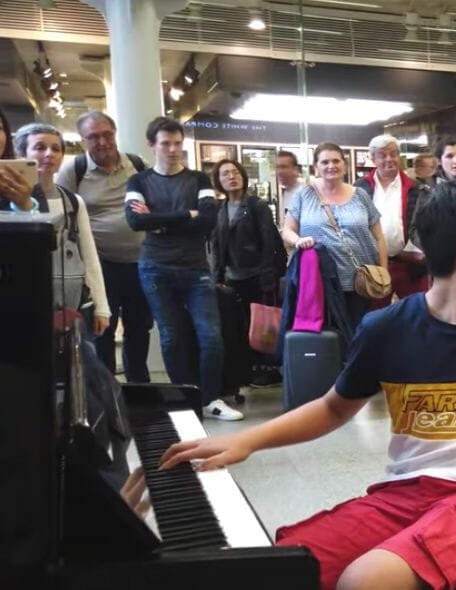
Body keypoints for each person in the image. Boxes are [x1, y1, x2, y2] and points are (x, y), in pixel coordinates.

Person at [158, 178, 456, 590]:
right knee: (278, 577)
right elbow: (335, 407)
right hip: (403, 493)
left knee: (363, 589)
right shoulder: (385, 327)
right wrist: (246, 442)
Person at [125, 117, 241, 421]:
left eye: (178, 143)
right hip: (155, 268)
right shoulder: (139, 182)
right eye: (166, 143)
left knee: (211, 336)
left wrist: (160, 219)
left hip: (195, 269)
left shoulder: (199, 180)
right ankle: (182, 399)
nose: (173, 149)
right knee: (171, 336)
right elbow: (136, 221)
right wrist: (184, 215)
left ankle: (210, 398)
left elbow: (206, 221)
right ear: (152, 145)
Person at [55, 111, 153, 383]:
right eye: (93, 137)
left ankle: (138, 385)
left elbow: (155, 203)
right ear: (83, 140)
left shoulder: (138, 164)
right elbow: (62, 212)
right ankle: (105, 387)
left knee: (140, 327)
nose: (102, 142)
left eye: (107, 134)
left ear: (115, 134)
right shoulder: (73, 171)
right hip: (101, 266)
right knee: (102, 330)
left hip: (141, 263)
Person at [10, 123, 109, 338]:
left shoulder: (73, 201)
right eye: (39, 147)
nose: (49, 154)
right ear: (21, 153)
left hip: (68, 302)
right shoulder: (7, 200)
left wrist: (101, 307)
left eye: (56, 149)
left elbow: (89, 256)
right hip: (21, 302)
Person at [281, 142, 387, 331]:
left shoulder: (361, 195)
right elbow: (287, 230)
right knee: (329, 337)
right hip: (320, 282)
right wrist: (298, 241)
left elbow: (379, 237)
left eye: (336, 161)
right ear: (316, 167)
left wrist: (383, 272)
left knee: (360, 332)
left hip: (361, 282)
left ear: (344, 164)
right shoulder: (304, 195)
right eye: (325, 162)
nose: (331, 166)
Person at [210, 158, 287, 387]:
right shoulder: (219, 209)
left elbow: (269, 241)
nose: (231, 177)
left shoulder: (256, 205)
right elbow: (215, 244)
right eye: (225, 174)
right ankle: (245, 371)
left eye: (235, 172)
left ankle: (268, 369)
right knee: (239, 327)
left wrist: (269, 275)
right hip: (231, 278)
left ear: (243, 176)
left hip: (257, 276)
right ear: (218, 181)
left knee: (263, 325)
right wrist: (217, 276)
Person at [354, 135, 424, 306]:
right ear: (373, 158)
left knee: (418, 312)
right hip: (374, 267)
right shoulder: (359, 188)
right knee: (374, 317)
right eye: (382, 155)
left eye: (393, 154)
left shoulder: (417, 188)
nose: (389, 159)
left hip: (409, 267)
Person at [276, 150, 305, 217]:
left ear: (295, 169)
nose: (279, 171)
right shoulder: (281, 194)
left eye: (283, 167)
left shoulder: (306, 193)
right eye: (277, 167)